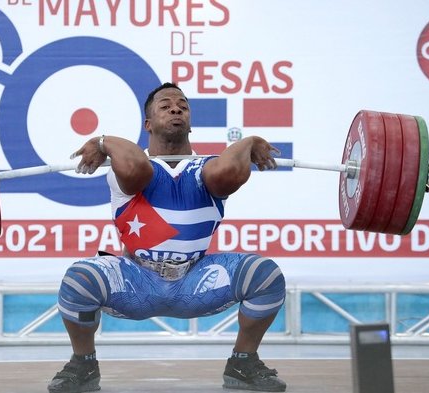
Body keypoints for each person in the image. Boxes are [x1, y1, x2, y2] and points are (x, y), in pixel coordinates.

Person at [48, 82, 287, 392]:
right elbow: (135, 167)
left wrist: (249, 141)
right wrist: (102, 141)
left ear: (189, 120)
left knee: (265, 276)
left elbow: (229, 173)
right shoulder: (123, 167)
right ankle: (83, 365)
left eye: (183, 106)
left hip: (196, 280)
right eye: (165, 105)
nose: (176, 108)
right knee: (79, 279)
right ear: (148, 124)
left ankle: (243, 363)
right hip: (136, 280)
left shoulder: (208, 168)